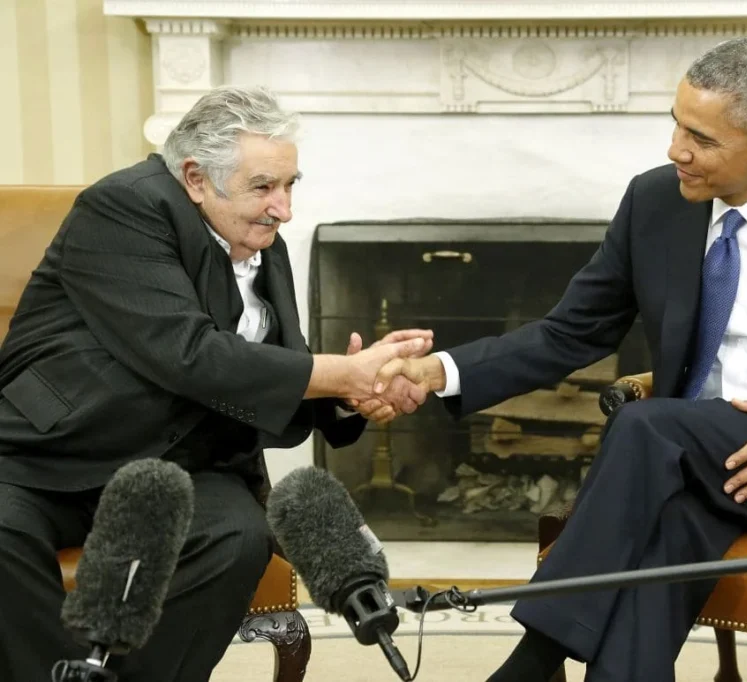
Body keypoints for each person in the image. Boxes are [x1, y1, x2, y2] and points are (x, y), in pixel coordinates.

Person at [368, 37, 747, 681]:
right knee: (671, 535)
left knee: (642, 423)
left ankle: (533, 660)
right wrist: (440, 370)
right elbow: (569, 333)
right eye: (676, 124)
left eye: (703, 138)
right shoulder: (654, 202)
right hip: (679, 468)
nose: (676, 151)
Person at [0, 86, 431, 681]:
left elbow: (270, 365)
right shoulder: (122, 207)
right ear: (196, 177)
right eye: (264, 187)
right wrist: (338, 372)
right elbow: (188, 354)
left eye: (290, 185)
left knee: (236, 538)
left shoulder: (256, 235)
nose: (284, 208)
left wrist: (351, 395)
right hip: (52, 453)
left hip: (188, 463)